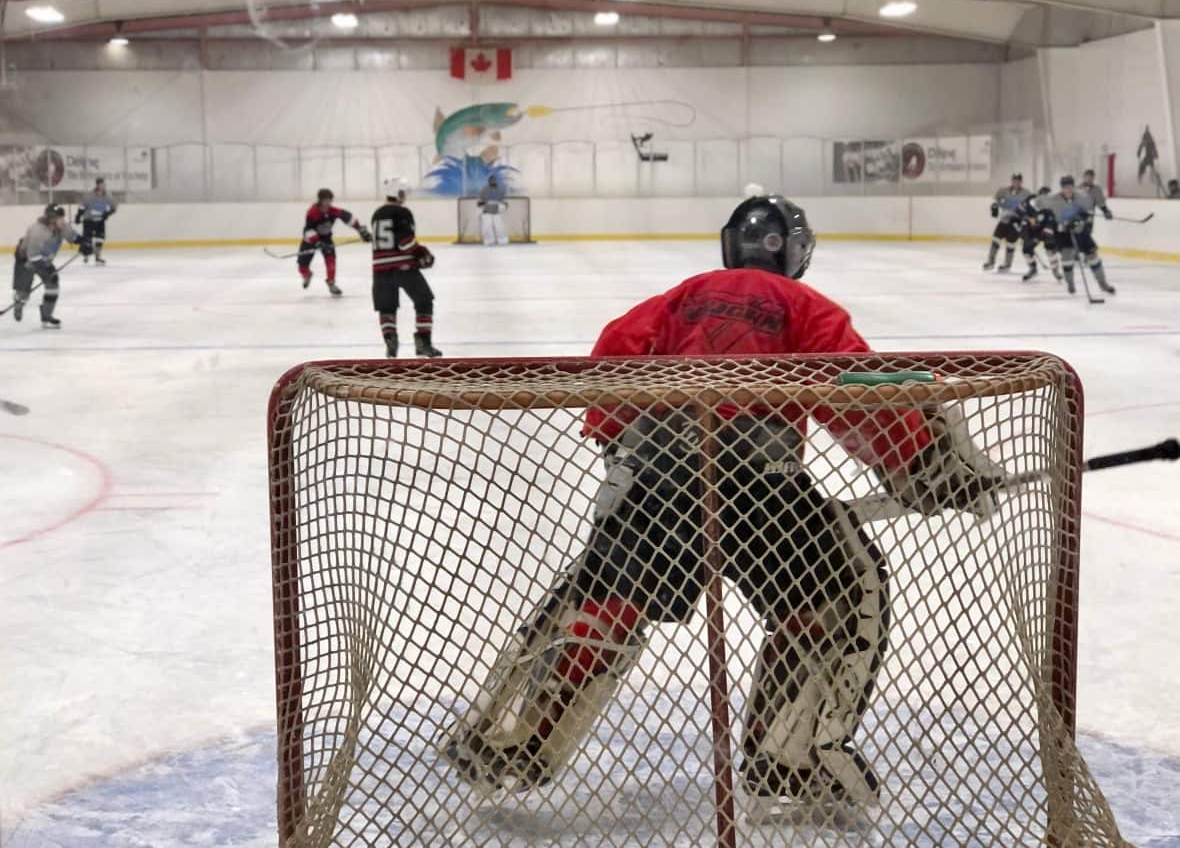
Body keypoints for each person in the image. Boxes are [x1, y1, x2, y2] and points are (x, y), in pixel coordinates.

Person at [441, 194, 1004, 807]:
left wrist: (618, 440)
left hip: (658, 477)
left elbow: (615, 355)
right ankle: (788, 762)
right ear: (795, 252)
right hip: (762, 486)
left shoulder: (683, 294)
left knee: (604, 599)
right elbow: (852, 392)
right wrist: (921, 465)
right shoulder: (804, 304)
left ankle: (511, 738)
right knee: (835, 598)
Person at [369, 177, 441, 358]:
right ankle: (423, 343)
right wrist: (423, 254)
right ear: (396, 193)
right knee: (424, 300)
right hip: (402, 267)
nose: (404, 197)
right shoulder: (402, 212)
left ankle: (390, 342)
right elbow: (405, 242)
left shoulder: (376, 214)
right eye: (402, 193)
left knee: (386, 307)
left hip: (379, 270)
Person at [11, 203, 89, 328]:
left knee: (53, 285)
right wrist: (47, 271)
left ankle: (46, 314)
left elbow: (73, 236)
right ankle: (19, 302)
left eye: (62, 217)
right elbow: (33, 256)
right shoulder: (38, 231)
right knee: (23, 291)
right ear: (51, 219)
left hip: (44, 260)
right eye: (59, 217)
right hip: (26, 259)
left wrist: (84, 243)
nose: (62, 220)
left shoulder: (61, 226)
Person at [1042, 175, 1116, 296]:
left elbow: (1086, 214)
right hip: (1062, 233)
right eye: (1066, 187)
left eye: (1070, 186)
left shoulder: (1082, 197)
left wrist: (1105, 211)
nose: (1068, 189)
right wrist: (1060, 226)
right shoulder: (1053, 201)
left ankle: (1103, 283)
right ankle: (1070, 283)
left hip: (1080, 230)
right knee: (1067, 257)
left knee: (1092, 255)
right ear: (1062, 188)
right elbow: (1048, 217)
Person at [296, 188, 370, 297]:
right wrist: (316, 242)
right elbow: (308, 230)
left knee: (331, 260)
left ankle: (331, 283)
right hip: (310, 241)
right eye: (325, 200)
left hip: (326, 239)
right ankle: (307, 275)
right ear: (320, 200)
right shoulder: (312, 212)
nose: (328, 203)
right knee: (302, 265)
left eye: (329, 200)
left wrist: (360, 230)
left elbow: (349, 218)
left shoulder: (333, 211)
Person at [984, 173, 1031, 272]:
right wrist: (995, 206)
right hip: (1004, 221)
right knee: (995, 239)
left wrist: (1024, 218)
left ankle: (1007, 264)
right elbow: (996, 200)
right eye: (1014, 180)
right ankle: (991, 262)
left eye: (1018, 180)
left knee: (1010, 243)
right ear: (1012, 181)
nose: (1016, 182)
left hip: (1016, 223)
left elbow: (1030, 208)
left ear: (1021, 182)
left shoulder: (1026, 193)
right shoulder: (1003, 191)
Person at [1019, 186, 1062, 283]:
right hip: (1035, 231)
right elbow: (1019, 212)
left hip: (1046, 231)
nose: (1046, 198)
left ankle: (1055, 270)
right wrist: (1024, 234)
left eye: (1047, 196)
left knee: (1050, 247)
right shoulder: (1030, 201)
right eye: (1044, 195)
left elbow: (1052, 223)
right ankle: (1033, 269)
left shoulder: (1051, 209)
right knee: (1026, 249)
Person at [74, 177, 116, 265]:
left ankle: (98, 258)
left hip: (100, 221)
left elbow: (113, 207)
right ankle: (86, 255)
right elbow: (82, 207)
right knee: (87, 239)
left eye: (104, 185)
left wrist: (107, 214)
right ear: (97, 185)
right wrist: (78, 216)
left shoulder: (108, 196)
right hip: (89, 220)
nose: (104, 186)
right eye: (102, 184)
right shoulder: (89, 196)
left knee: (100, 239)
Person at [477, 174, 509, 246]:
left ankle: (502, 240)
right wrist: (484, 205)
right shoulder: (484, 189)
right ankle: (489, 240)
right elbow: (479, 202)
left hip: (497, 211)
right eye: (491, 181)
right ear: (489, 181)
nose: (493, 182)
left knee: (499, 226)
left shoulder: (501, 189)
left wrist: (502, 206)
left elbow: (505, 202)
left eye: (494, 181)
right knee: (487, 226)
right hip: (486, 211)